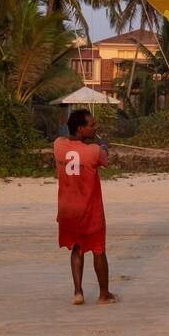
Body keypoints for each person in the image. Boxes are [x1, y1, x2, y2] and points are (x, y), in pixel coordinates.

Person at [53, 109, 116, 305]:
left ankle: (78, 292)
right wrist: (102, 144)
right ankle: (104, 294)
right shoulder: (94, 151)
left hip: (68, 210)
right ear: (81, 128)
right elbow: (103, 157)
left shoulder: (58, 145)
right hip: (89, 211)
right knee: (98, 251)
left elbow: (68, 142)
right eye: (92, 125)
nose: (95, 127)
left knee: (77, 249)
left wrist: (86, 139)